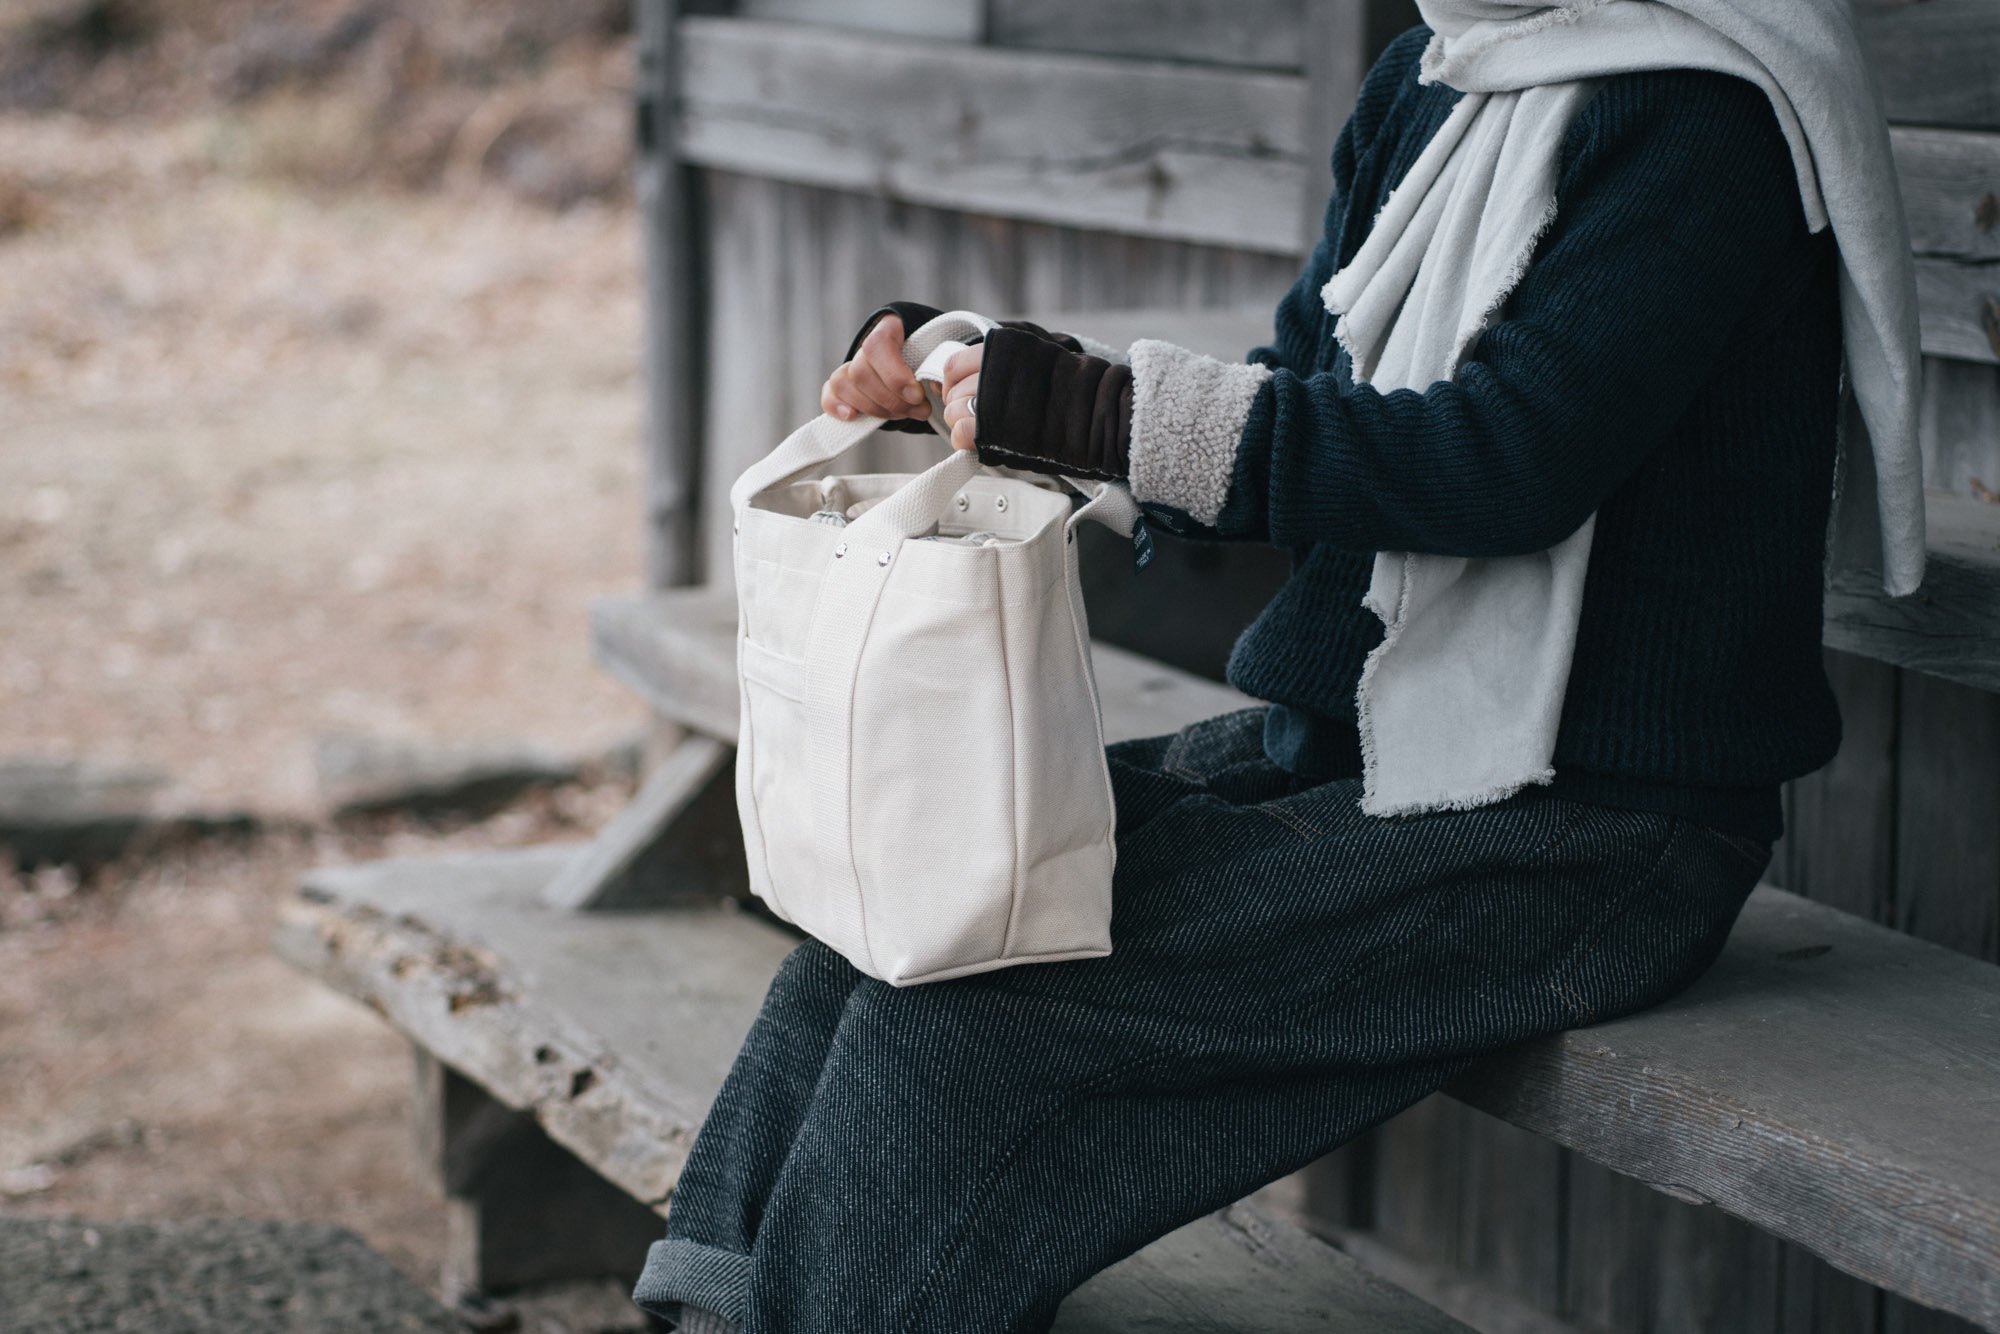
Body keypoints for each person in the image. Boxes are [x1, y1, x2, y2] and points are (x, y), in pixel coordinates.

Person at [633, 3, 1924, 1330]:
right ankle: (709, 1312)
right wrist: (999, 384)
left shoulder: (1699, 118)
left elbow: (1504, 460)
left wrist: (1094, 412)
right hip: (1362, 746)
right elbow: (1305, 395)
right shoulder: (1436, 75)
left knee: (971, 1023)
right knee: (916, 896)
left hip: (1597, 823)